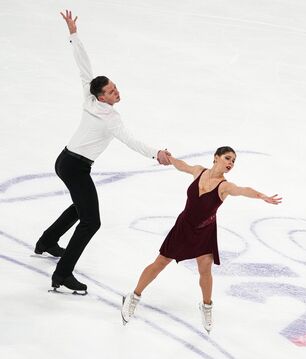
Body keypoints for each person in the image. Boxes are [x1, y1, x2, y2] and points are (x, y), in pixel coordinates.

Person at [35, 10, 171, 294]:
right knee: (91, 221)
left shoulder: (89, 95)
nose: (116, 93)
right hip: (75, 166)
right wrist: (156, 153)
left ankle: (47, 241)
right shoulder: (110, 118)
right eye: (111, 91)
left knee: (79, 207)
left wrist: (73, 33)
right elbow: (130, 140)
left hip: (65, 160)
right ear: (101, 97)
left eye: (115, 88)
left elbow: (83, 64)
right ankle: (62, 274)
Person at [120, 146, 282, 332]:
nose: (230, 163)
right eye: (227, 158)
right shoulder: (199, 171)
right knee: (160, 262)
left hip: (205, 231)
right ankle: (133, 296)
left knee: (205, 269)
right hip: (183, 227)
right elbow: (183, 166)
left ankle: (206, 307)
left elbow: (243, 190)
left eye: (233, 161)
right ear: (216, 157)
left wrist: (262, 196)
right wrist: (170, 158)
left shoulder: (224, 186)